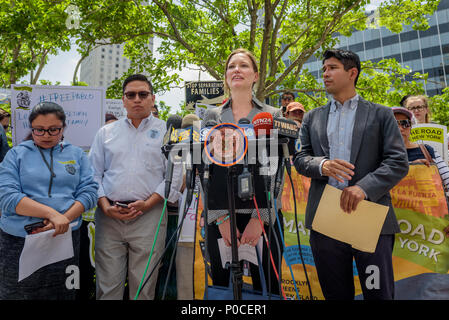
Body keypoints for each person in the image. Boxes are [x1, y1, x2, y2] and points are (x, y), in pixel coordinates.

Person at [294, 49, 409, 300]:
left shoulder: (381, 114)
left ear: (352, 73)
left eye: (332, 68)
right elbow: (300, 159)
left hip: (370, 217)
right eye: (323, 69)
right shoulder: (312, 118)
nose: (325, 74)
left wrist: (363, 188)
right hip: (326, 220)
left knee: (378, 293)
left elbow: (398, 161)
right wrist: (322, 165)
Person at [89, 74, 182, 300]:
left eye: (143, 94)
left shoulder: (168, 133)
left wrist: (148, 204)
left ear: (152, 98)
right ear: (123, 100)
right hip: (109, 215)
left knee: (144, 289)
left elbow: (176, 174)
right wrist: (104, 205)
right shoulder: (105, 133)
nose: (137, 99)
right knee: (107, 287)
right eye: (131, 95)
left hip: (149, 216)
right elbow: (92, 174)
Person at [203, 48, 284, 296]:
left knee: (267, 287)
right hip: (222, 217)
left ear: (256, 76)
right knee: (222, 286)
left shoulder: (272, 116)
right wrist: (222, 219)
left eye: (243, 66)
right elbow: (205, 171)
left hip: (263, 216)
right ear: (226, 77)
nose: (236, 70)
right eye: (231, 67)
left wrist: (261, 220)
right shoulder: (212, 116)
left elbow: (278, 173)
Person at [0, 102, 98, 300]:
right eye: (39, 130)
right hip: (19, 240)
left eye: (53, 130)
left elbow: (89, 192)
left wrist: (64, 219)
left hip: (65, 239)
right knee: (16, 294)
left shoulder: (77, 154)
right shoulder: (16, 155)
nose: (46, 135)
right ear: (32, 129)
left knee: (64, 292)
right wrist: (52, 215)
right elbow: (8, 197)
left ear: (63, 128)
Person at [392, 106, 449, 191]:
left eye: (405, 123)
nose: (400, 128)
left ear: (411, 127)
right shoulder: (378, 153)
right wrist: (412, 167)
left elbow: (447, 178)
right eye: (394, 124)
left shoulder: (427, 150)